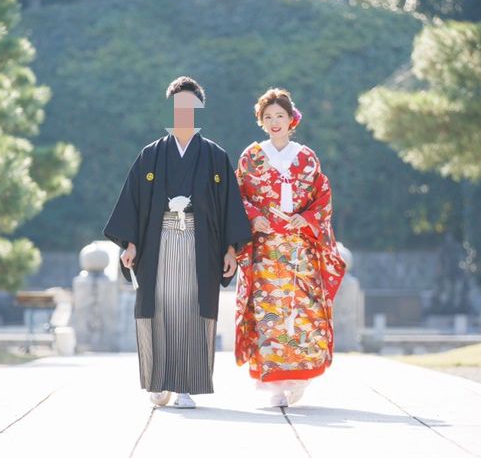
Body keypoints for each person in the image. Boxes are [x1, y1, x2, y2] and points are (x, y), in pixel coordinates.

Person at [103, 76, 251, 409]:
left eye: (190, 105)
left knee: (192, 309)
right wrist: (130, 244)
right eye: (178, 105)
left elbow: (229, 205)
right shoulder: (151, 155)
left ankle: (186, 386)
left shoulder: (214, 155)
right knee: (158, 307)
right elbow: (133, 202)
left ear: (199, 109)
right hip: (159, 240)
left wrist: (230, 249)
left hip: (200, 242)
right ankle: (159, 382)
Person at [235, 88, 346, 407]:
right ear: (261, 121)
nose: (274, 122)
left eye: (279, 116)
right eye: (268, 116)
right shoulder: (251, 156)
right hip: (265, 249)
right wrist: (254, 216)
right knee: (268, 312)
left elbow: (322, 196)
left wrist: (307, 217)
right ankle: (273, 385)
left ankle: (300, 377)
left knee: (303, 311)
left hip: (300, 249)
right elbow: (238, 195)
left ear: (291, 119)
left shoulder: (306, 157)